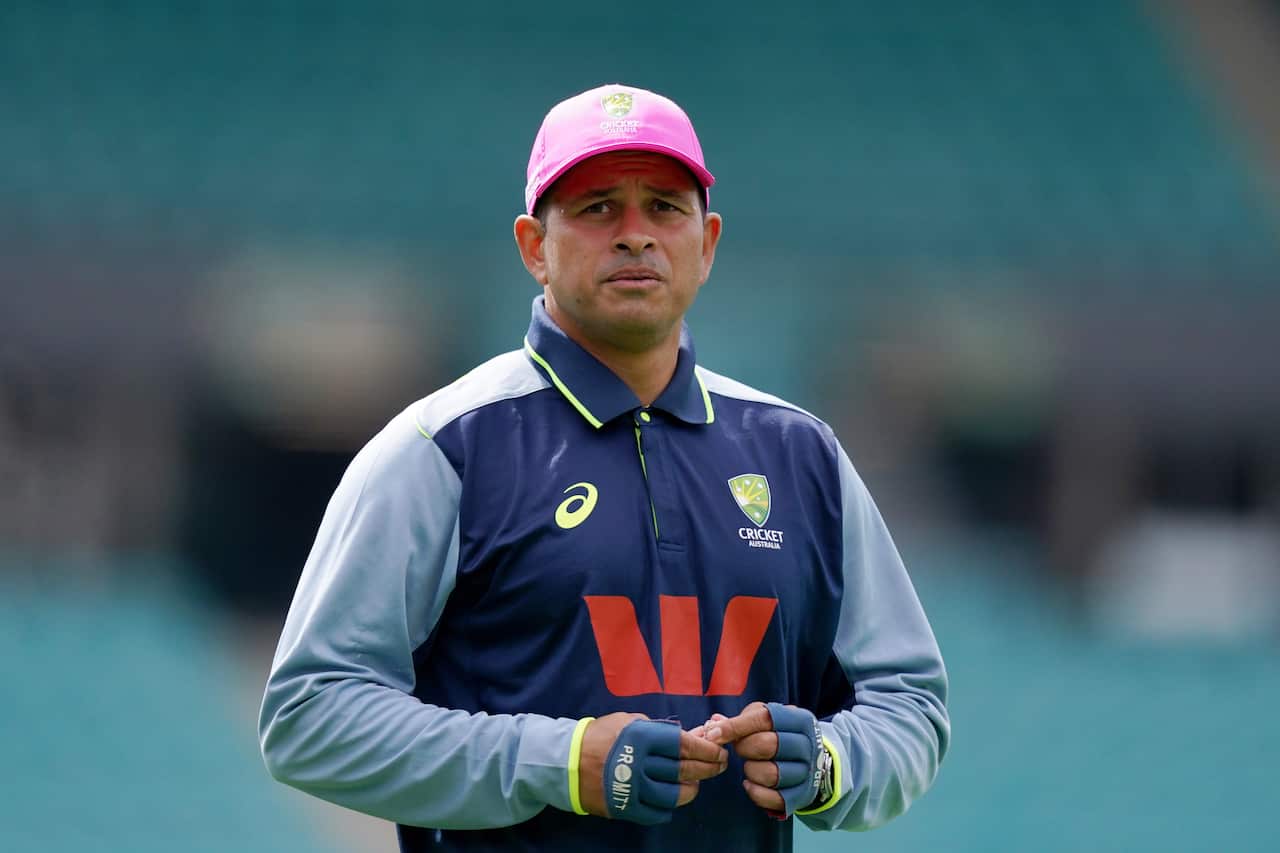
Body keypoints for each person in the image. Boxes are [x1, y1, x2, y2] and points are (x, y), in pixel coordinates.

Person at [259, 83, 949, 852]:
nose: (634, 235)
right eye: (596, 208)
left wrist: (828, 762)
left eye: (664, 206)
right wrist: (561, 761)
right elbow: (308, 717)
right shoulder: (440, 449)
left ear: (707, 242)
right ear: (533, 246)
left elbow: (908, 703)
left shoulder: (802, 453)